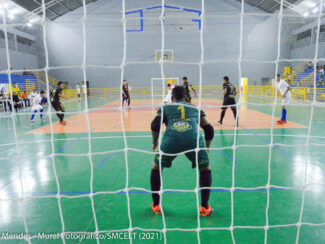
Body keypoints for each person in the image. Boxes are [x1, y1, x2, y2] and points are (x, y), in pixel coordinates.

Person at [150, 86, 214, 216]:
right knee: (205, 169)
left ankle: (156, 205)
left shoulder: (165, 107)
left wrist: (155, 143)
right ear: (186, 97)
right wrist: (207, 148)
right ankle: (204, 207)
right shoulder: (195, 108)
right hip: (193, 141)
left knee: (156, 168)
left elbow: (155, 124)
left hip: (171, 141)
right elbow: (209, 129)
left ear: (172, 98)